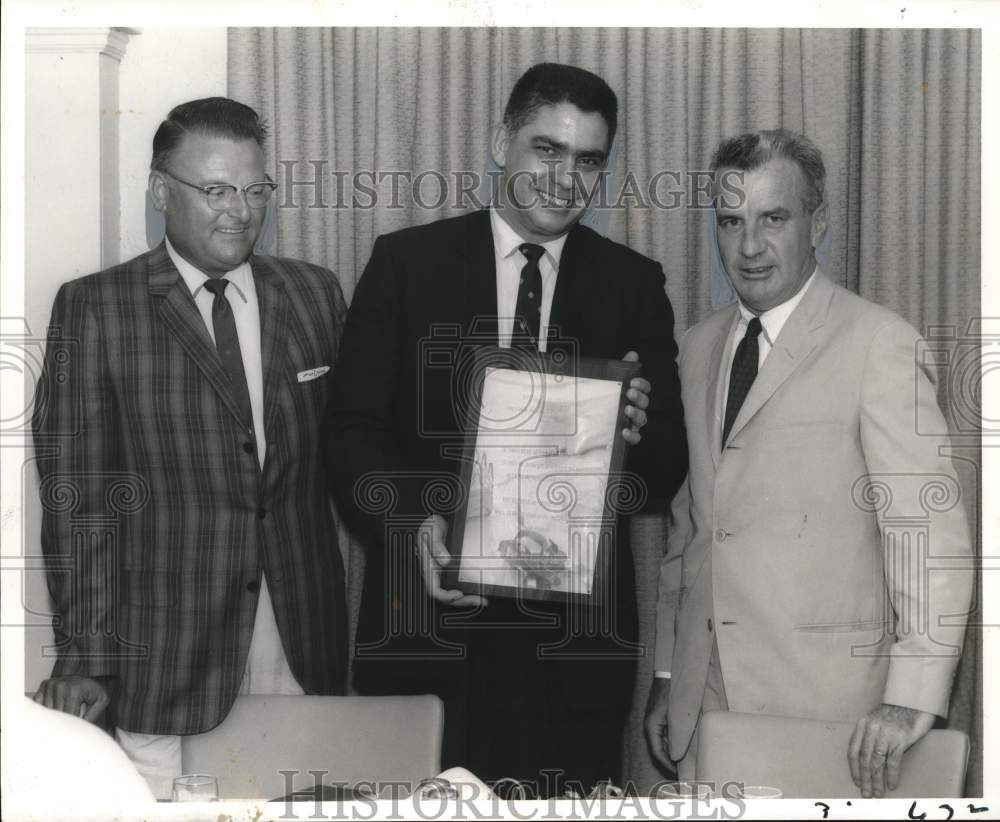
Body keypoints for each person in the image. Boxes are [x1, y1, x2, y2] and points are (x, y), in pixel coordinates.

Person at [327, 63, 687, 795]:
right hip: (428, 638)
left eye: (589, 160)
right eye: (546, 149)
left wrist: (636, 435)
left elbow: (666, 470)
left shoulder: (632, 283)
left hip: (572, 659)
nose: (565, 177)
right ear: (502, 144)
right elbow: (350, 434)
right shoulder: (406, 264)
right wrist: (411, 527)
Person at [31, 97, 348, 798]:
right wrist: (88, 655)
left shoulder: (316, 295)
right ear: (159, 192)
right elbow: (78, 498)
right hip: (164, 663)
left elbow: (356, 448)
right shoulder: (97, 309)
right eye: (215, 190)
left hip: (302, 641)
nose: (239, 210)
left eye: (254, 189)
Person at [644, 129, 973, 798]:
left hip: (829, 720)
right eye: (731, 222)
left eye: (774, 218)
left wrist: (911, 697)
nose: (749, 246)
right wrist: (668, 676)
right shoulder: (697, 348)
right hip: (705, 716)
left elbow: (928, 533)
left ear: (817, 223)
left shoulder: (878, 342)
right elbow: (691, 528)